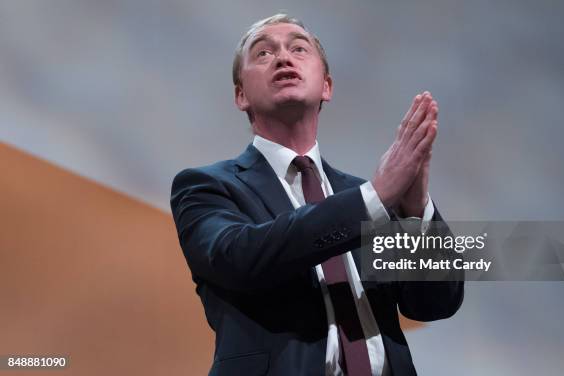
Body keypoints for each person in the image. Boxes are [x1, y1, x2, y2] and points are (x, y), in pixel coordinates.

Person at [170, 14, 463, 376]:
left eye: (298, 48)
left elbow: (435, 304)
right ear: (240, 95)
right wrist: (374, 199)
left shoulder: (363, 197)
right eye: (263, 53)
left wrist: (415, 210)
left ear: (326, 86)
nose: (282, 57)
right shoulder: (206, 186)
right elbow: (239, 258)